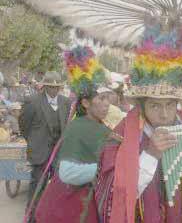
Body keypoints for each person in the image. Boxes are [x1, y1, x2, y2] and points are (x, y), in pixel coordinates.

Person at [95, 18, 182, 222]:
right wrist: (151, 154)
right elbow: (115, 198)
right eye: (155, 105)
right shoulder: (121, 134)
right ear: (141, 105)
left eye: (170, 105)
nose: (164, 115)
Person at [33, 46, 117, 223]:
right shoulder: (79, 128)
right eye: (101, 99)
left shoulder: (97, 124)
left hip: (84, 202)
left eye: (108, 98)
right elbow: (67, 172)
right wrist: (104, 168)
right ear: (85, 103)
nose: (107, 104)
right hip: (68, 207)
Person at [20, 71, 72, 204]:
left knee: (58, 185)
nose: (54, 90)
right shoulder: (32, 101)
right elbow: (24, 126)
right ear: (45, 86)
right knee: (37, 185)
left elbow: (65, 124)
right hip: (39, 151)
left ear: (60, 88)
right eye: (50, 86)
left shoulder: (65, 102)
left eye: (56, 87)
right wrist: (34, 141)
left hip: (58, 152)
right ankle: (32, 216)